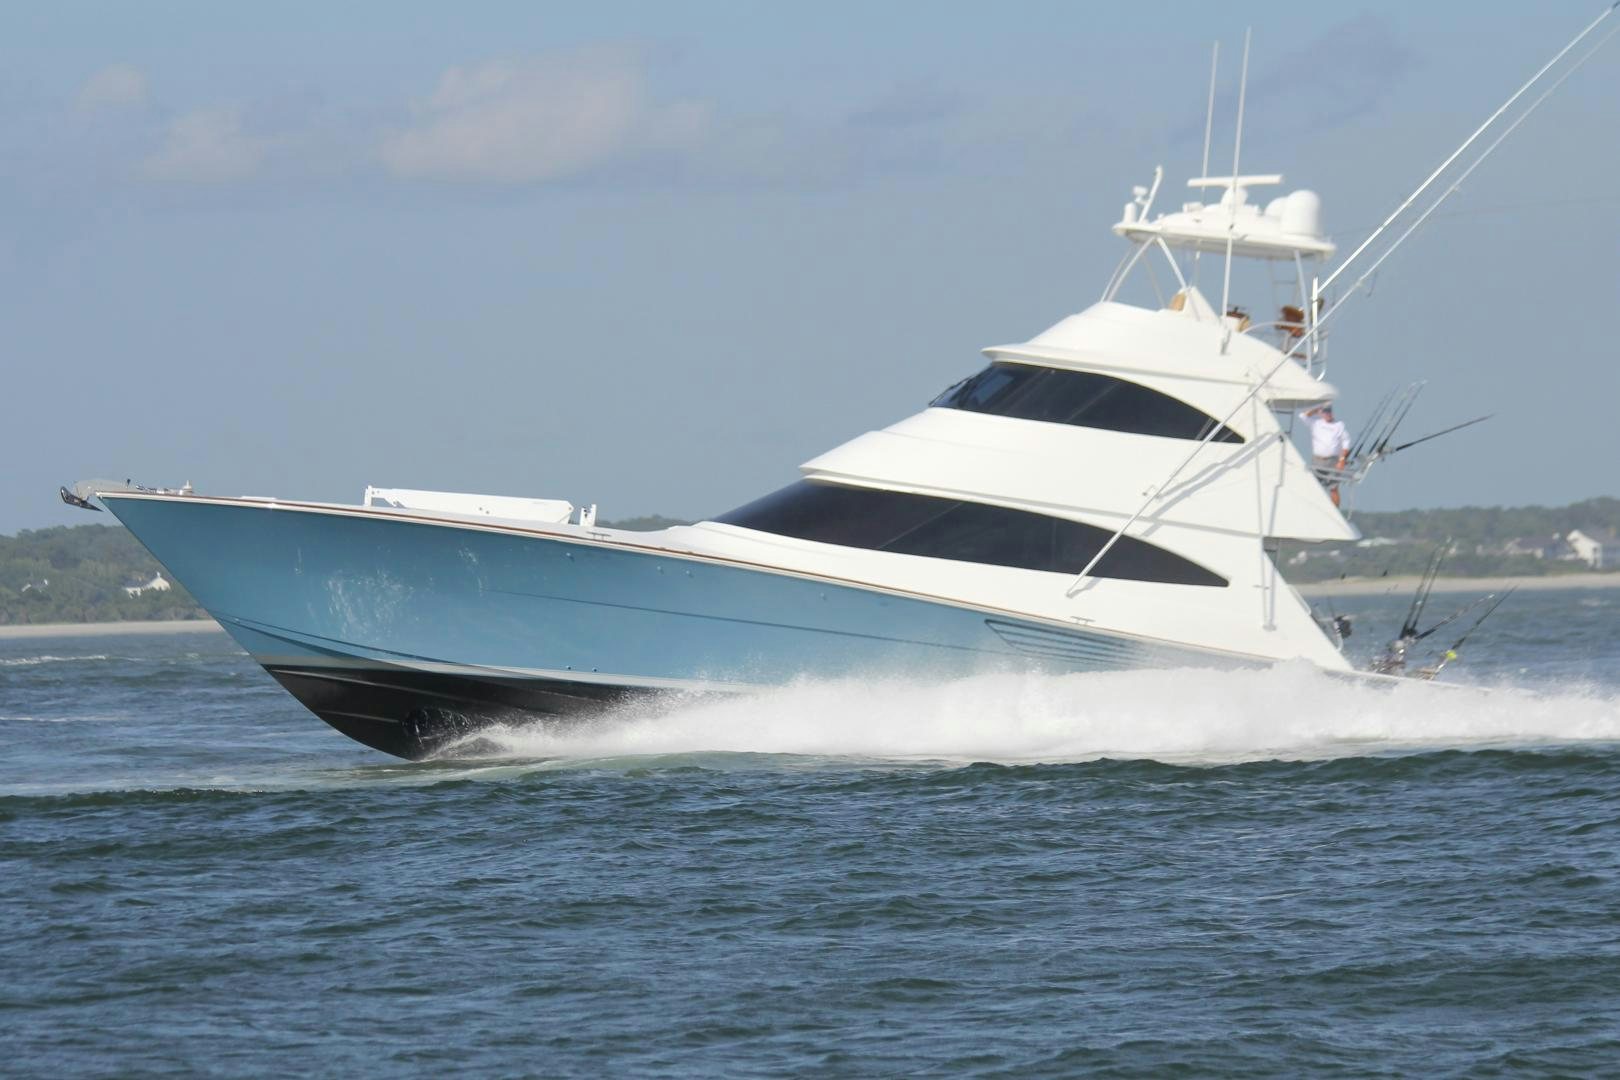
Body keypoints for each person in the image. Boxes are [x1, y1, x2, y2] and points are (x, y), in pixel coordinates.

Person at [1302, 404, 1350, 507]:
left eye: (1329, 411)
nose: (1328, 414)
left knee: (1333, 488)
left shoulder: (1339, 425)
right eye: (1325, 412)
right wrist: (1316, 409)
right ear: (1321, 413)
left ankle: (1336, 511)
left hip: (1333, 461)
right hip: (1317, 460)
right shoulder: (1315, 422)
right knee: (1313, 486)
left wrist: (1342, 460)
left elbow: (1346, 442)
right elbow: (1303, 416)